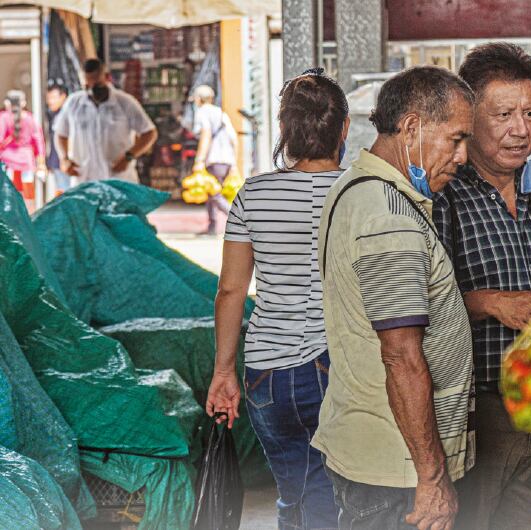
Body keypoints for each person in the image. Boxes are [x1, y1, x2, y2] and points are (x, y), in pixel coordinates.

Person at [312, 66, 475, 530]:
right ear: (411, 128)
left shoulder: (357, 187)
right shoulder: (388, 217)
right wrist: (431, 476)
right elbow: (401, 355)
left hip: (381, 454)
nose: (462, 156)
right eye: (456, 138)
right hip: (396, 469)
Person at [205, 68, 349, 530]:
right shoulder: (358, 192)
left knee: (294, 491)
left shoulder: (254, 194)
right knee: (332, 493)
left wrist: (223, 372)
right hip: (338, 366)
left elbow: (230, 290)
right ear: (343, 128)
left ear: (284, 131)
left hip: (265, 370)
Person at [432, 42, 531, 530]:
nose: (521, 129)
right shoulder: (448, 198)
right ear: (468, 118)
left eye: (529, 112)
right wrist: (489, 303)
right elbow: (416, 306)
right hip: (479, 412)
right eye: (504, 113)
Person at [53, 58, 157, 183]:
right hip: (85, 181)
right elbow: (60, 134)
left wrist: (129, 156)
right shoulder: (73, 103)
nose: (91, 90)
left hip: (119, 180)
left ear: (107, 77)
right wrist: (64, 158)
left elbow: (150, 133)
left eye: (96, 85)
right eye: (87, 86)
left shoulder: (125, 103)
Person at [190, 84, 238, 235]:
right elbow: (234, 139)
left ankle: (239, 220)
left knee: (215, 194)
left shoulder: (202, 112)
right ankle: (212, 227)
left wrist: (199, 160)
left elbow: (206, 135)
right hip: (226, 160)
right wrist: (234, 162)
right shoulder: (221, 113)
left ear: (199, 99)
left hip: (214, 159)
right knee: (212, 194)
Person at [0, 90, 45, 196]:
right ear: (23, 103)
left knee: (7, 192)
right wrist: (41, 162)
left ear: (8, 102)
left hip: (7, 161)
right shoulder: (30, 118)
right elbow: (39, 141)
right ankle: (29, 211)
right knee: (28, 191)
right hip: (27, 160)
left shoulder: (4, 117)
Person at [45, 82, 71, 192]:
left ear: (63, 97)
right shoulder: (53, 115)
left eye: (54, 97)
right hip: (56, 162)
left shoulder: (69, 115)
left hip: (66, 163)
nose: (50, 101)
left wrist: (65, 159)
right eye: (48, 98)